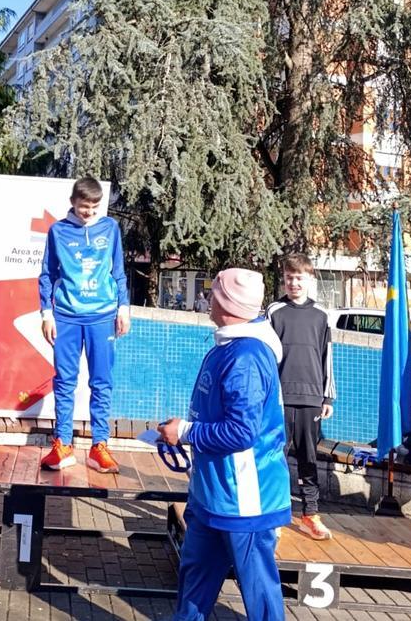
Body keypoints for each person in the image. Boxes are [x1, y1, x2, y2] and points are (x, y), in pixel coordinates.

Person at [159, 268, 289, 620]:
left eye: (213, 294)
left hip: (245, 502)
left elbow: (241, 432)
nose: (207, 299)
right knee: (194, 584)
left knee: (259, 594)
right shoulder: (228, 346)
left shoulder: (246, 357)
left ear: (228, 304)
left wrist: (186, 432)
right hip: (211, 496)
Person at [38, 176, 130, 474]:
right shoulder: (58, 231)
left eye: (94, 206)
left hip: (102, 316)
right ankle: (63, 444)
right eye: (83, 206)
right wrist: (46, 314)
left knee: (101, 382)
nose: (88, 212)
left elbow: (118, 271)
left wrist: (124, 308)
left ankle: (99, 445)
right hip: (66, 316)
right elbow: (47, 274)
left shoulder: (110, 228)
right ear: (73, 202)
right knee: (65, 382)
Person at [265, 252, 335, 540]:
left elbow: (327, 358)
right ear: (283, 279)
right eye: (289, 277)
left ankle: (310, 514)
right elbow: (266, 357)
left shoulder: (321, 315)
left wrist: (327, 398)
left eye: (299, 278)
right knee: (274, 457)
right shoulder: (274, 311)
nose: (294, 283)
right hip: (280, 399)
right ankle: (272, 514)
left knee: (308, 458)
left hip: (311, 399)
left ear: (310, 279)